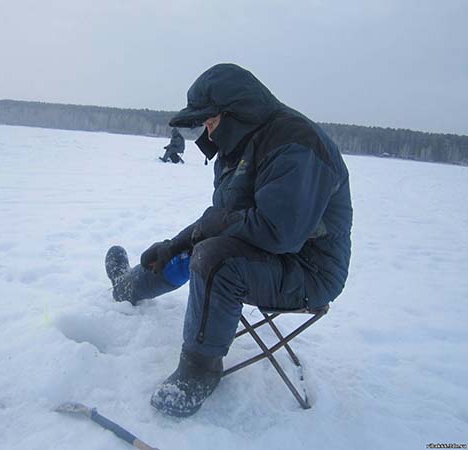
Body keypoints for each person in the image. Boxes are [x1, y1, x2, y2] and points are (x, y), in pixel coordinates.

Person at [105, 63, 352, 417]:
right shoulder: (242, 145)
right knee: (198, 248)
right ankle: (129, 287)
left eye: (209, 120)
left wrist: (210, 229)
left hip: (309, 270)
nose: (205, 130)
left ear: (235, 113)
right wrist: (175, 244)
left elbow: (277, 231)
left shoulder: (296, 143)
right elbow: (226, 218)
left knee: (215, 258)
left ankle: (199, 372)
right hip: (268, 255)